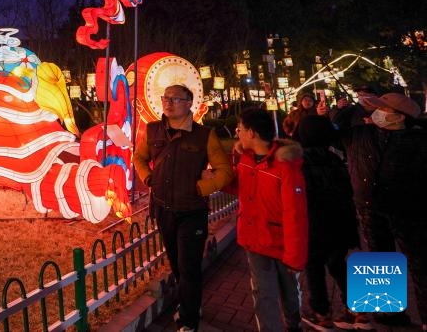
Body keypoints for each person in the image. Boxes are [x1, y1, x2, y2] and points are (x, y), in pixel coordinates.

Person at [133, 84, 233, 332]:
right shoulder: (153, 130)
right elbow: (139, 158)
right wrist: (147, 178)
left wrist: (203, 188)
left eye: (176, 99)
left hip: (192, 211)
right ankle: (191, 303)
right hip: (164, 208)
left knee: (188, 266)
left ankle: (188, 321)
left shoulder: (204, 135)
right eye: (166, 98)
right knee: (177, 264)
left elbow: (225, 170)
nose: (169, 102)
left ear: (190, 103)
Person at [328, 89, 427, 330]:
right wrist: (347, 109)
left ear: (401, 117)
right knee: (378, 259)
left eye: (385, 110)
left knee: (420, 262)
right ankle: (385, 314)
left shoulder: (418, 141)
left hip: (408, 210)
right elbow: (333, 130)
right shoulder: (362, 133)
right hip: (369, 207)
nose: (378, 113)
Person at [229, 106, 308, 332]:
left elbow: (295, 214)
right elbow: (239, 186)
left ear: (252, 133)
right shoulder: (245, 159)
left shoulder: (285, 166)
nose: (238, 134)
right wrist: (217, 179)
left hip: (281, 241)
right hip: (255, 239)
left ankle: (294, 324)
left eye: (240, 129)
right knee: (264, 295)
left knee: (289, 290)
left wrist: (295, 257)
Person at [295, 114, 359, 331]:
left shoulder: (300, 162)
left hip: (315, 224)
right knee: (337, 263)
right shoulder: (334, 159)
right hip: (341, 223)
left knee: (314, 267)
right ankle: (357, 310)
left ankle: (321, 313)